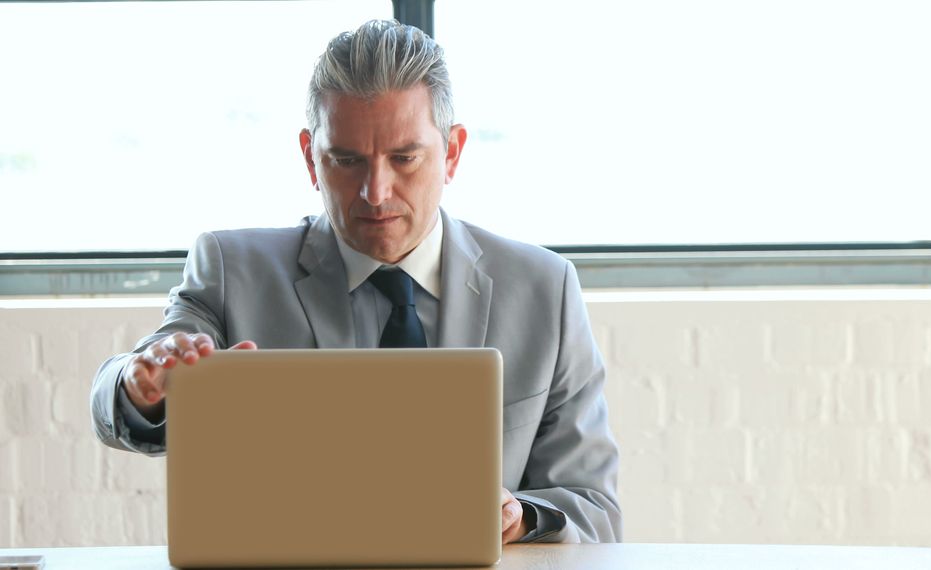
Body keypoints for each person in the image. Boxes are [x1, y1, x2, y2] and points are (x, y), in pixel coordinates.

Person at [89, 19, 620, 544]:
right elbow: (127, 386)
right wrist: (141, 386)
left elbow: (594, 510)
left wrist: (522, 517)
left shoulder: (545, 289)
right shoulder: (233, 269)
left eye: (405, 158)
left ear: (452, 152)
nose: (374, 191)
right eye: (346, 161)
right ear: (310, 158)